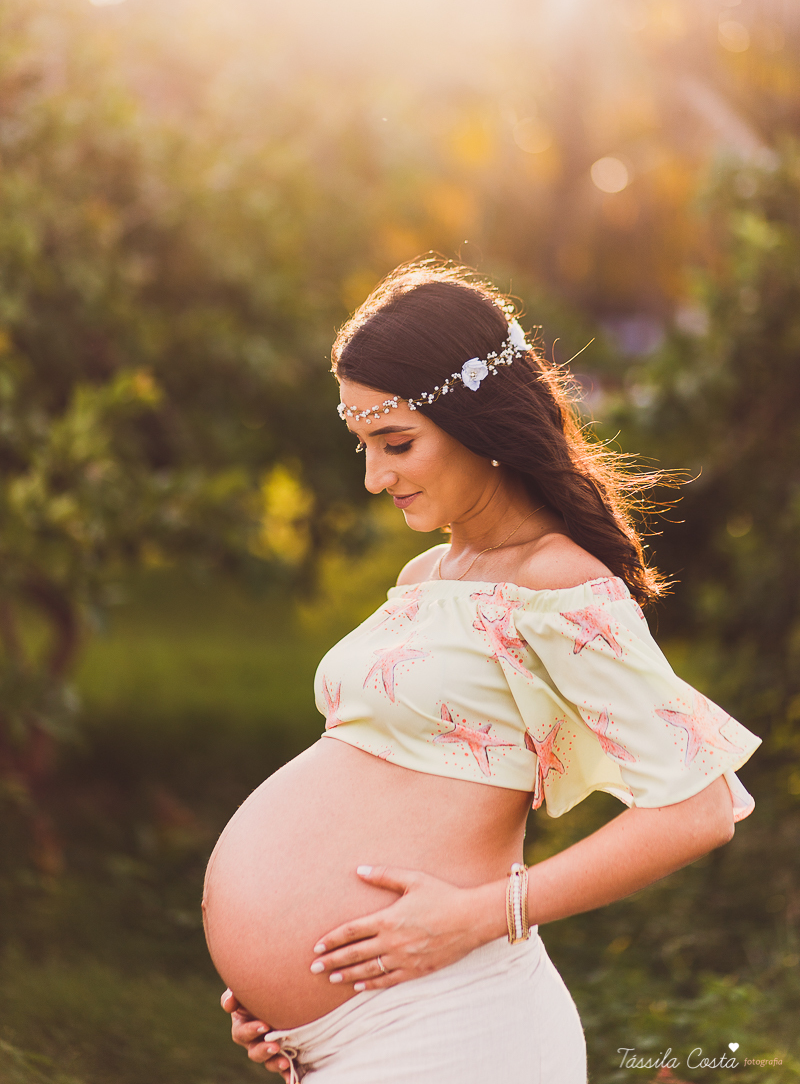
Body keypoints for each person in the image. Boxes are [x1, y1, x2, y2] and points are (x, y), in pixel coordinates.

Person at [204, 261, 760, 1084]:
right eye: (363, 446)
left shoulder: (559, 585)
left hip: (453, 1028)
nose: (375, 477)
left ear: (478, 424)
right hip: (348, 1036)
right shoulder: (427, 580)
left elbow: (699, 810)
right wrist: (285, 1008)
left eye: (396, 444)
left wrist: (479, 915)